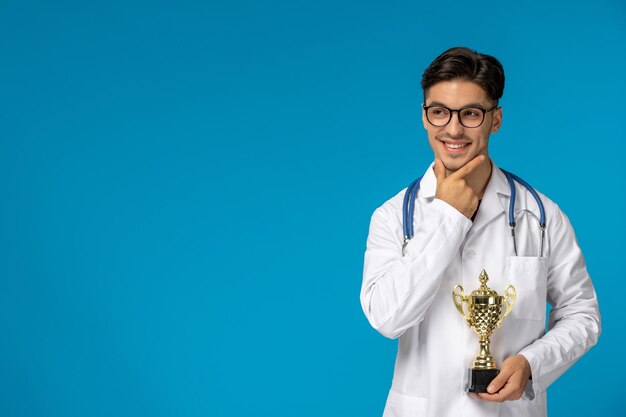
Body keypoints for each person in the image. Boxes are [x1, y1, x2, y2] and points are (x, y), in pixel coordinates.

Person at [360, 47, 601, 417]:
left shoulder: (540, 215)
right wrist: (448, 214)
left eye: (471, 114)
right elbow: (388, 319)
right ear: (424, 117)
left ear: (496, 119)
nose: (453, 129)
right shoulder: (394, 216)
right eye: (439, 111)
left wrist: (532, 363)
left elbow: (582, 314)